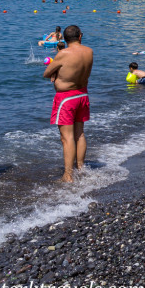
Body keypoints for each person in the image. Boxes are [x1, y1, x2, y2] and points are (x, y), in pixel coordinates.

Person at [42, 25, 93, 183]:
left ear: (64, 38)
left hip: (66, 98)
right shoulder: (89, 51)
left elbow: (46, 73)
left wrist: (55, 73)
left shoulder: (63, 54)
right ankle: (80, 168)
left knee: (67, 138)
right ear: (80, 37)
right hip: (82, 94)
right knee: (80, 134)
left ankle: (68, 175)